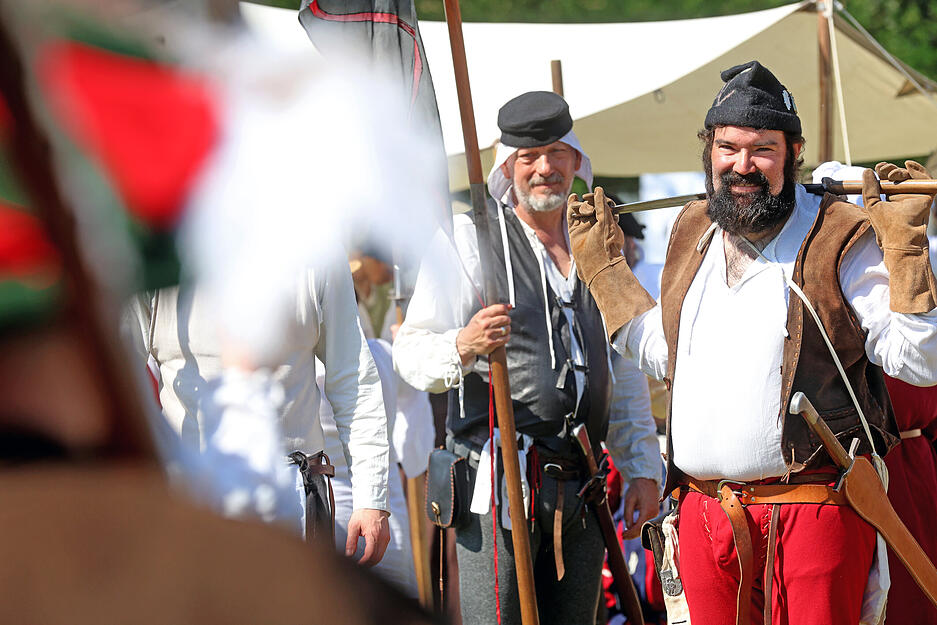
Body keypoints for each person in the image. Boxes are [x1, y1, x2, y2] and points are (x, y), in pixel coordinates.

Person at [567, 60, 937, 625]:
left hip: (813, 513)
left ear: (793, 153)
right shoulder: (691, 231)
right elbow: (669, 357)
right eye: (727, 147)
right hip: (704, 517)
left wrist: (908, 252)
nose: (742, 165)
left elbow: (920, 362)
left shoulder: (840, 235)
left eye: (762, 149)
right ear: (709, 151)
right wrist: (607, 277)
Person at [394, 91, 660, 625]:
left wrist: (642, 469)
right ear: (507, 165)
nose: (544, 169)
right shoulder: (468, 240)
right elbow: (411, 353)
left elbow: (623, 368)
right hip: (498, 484)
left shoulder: (595, 243)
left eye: (556, 154)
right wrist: (462, 344)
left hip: (581, 482)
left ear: (575, 161)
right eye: (529, 157)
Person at [135, 252, 393, 565]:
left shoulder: (316, 244)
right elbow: (118, 374)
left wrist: (371, 496)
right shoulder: (157, 248)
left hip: (294, 497)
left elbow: (353, 378)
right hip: (186, 495)